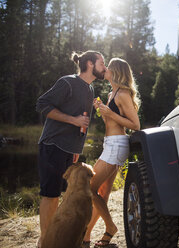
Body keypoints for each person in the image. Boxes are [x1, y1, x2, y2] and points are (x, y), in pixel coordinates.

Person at [35, 50, 107, 248]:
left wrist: (77, 148)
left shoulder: (90, 89)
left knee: (62, 195)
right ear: (90, 64)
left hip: (70, 150)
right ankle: (45, 241)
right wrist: (72, 120)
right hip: (53, 144)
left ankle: (55, 238)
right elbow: (42, 104)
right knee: (51, 195)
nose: (105, 67)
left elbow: (83, 122)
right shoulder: (67, 82)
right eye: (102, 63)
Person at [82, 58, 140, 248]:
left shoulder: (123, 94)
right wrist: (101, 109)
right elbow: (112, 119)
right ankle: (89, 236)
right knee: (103, 193)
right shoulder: (111, 93)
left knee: (90, 187)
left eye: (108, 67)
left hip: (117, 145)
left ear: (115, 72)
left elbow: (135, 125)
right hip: (110, 144)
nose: (105, 69)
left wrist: (109, 113)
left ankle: (110, 226)